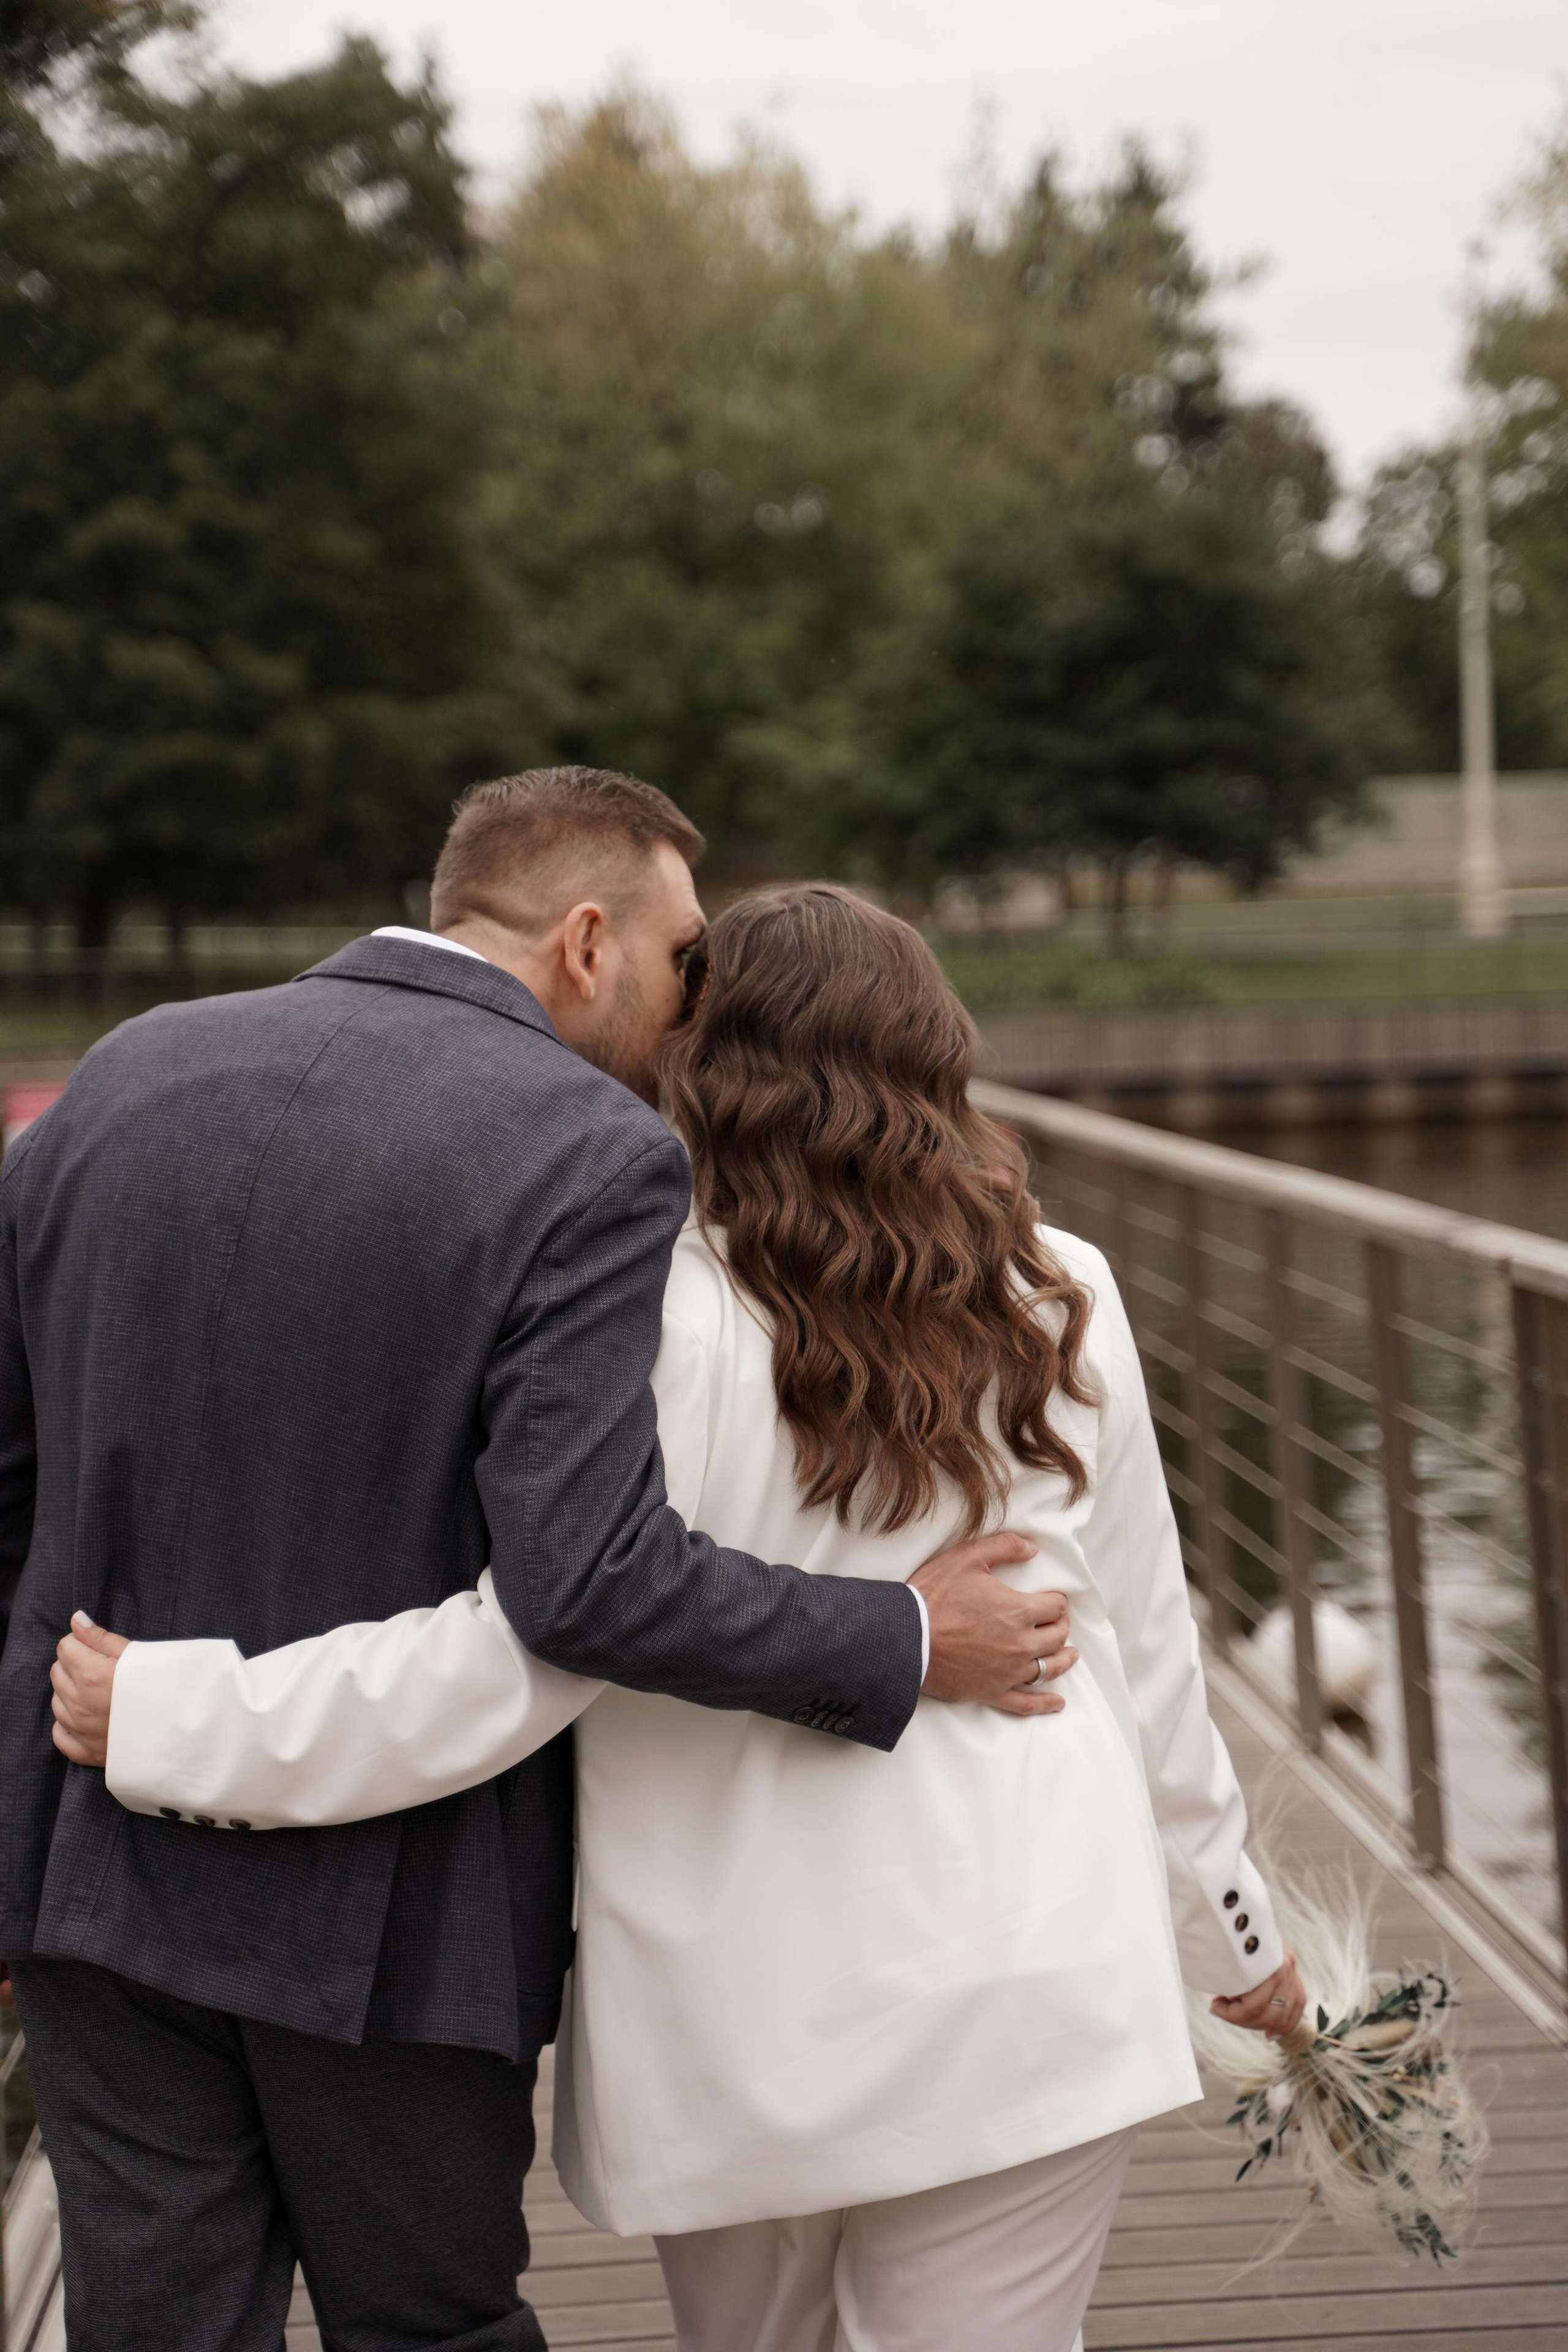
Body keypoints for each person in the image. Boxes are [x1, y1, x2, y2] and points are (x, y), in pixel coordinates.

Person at [52, 881, 1303, 2352]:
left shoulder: (644, 1314)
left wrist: (178, 1717)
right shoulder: (1057, 1290)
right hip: (1032, 1965)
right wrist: (1236, 1935)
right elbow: (1148, 1655)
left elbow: (514, 1654)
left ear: (697, 1055)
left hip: (740, 2019)